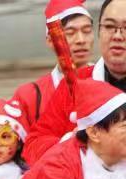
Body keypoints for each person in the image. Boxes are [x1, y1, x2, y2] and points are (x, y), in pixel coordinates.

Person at [23, 0, 126, 162]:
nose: (118, 35)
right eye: (109, 26)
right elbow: (34, 144)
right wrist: (73, 142)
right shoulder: (75, 85)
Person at [11, 0, 94, 132]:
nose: (81, 40)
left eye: (87, 31)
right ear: (50, 41)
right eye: (70, 33)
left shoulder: (111, 80)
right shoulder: (30, 96)